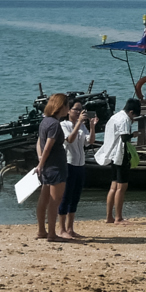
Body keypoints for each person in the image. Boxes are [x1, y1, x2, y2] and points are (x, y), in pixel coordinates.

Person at [34, 93, 71, 241]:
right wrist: (41, 164)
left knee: (44, 199)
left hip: (48, 165)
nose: (68, 109)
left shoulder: (45, 121)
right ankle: (51, 233)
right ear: (61, 107)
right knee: (55, 201)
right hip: (55, 166)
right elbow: (48, 146)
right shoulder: (55, 124)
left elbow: (39, 143)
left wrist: (40, 159)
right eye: (67, 106)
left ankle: (41, 230)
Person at [96, 97, 139, 225]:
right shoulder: (124, 119)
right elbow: (125, 137)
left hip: (112, 154)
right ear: (131, 112)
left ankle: (109, 216)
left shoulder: (114, 117)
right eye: (134, 116)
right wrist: (134, 135)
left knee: (113, 186)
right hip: (121, 155)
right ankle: (118, 217)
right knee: (122, 186)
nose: (134, 119)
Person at [58, 102, 94, 240]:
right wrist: (78, 123)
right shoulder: (64, 125)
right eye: (76, 110)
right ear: (69, 111)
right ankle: (61, 229)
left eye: (81, 110)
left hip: (80, 164)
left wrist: (91, 126)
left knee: (75, 197)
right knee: (66, 196)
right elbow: (70, 140)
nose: (79, 112)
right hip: (69, 163)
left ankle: (70, 228)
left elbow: (90, 141)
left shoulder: (82, 126)